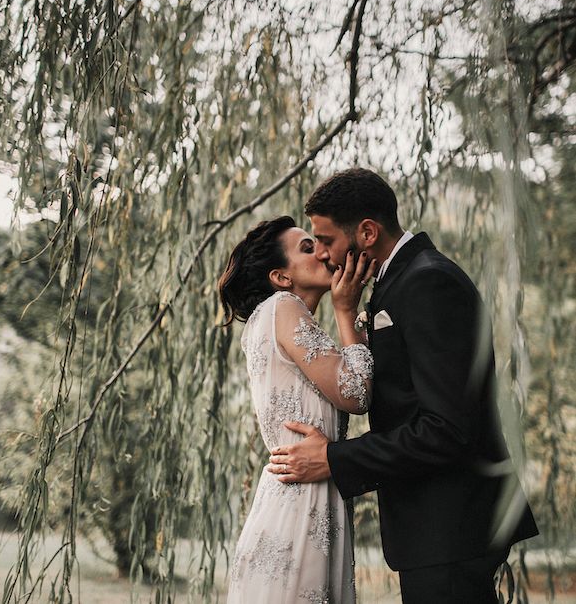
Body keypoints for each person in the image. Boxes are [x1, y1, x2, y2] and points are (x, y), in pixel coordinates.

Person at [267, 168, 539, 604]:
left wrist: (334, 459)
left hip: (451, 527)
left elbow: (445, 428)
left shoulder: (428, 282)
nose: (323, 255)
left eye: (327, 240)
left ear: (368, 232)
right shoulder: (403, 281)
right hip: (438, 530)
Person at [219, 215, 377, 604]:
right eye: (307, 248)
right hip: (301, 503)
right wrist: (346, 311)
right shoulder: (283, 308)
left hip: (301, 495)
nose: (323, 253)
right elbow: (356, 393)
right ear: (282, 277)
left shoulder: (276, 318)